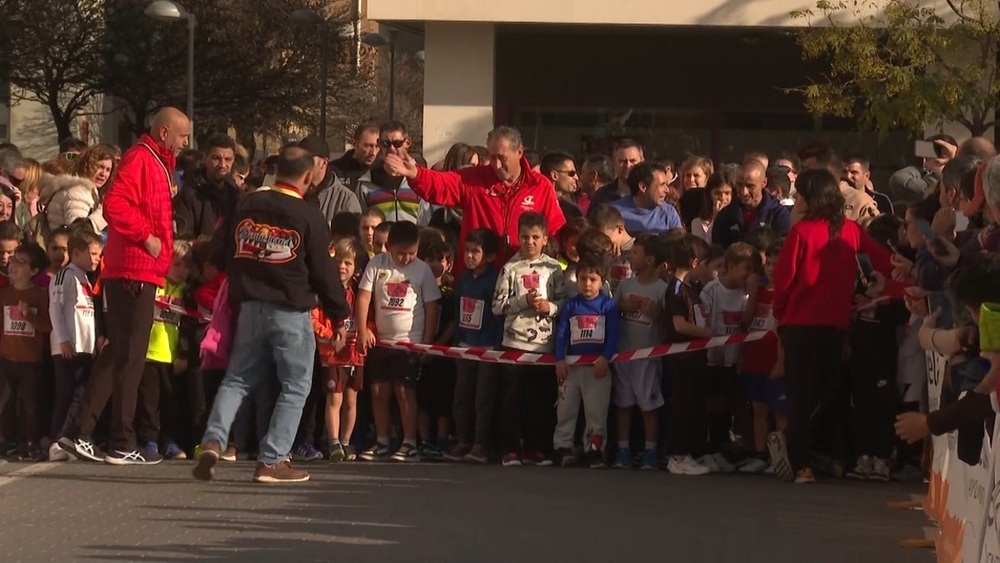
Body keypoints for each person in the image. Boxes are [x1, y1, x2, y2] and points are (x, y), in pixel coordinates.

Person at [191, 146, 350, 484]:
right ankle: (272, 460)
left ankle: (214, 439)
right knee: (295, 384)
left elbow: (217, 252)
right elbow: (325, 272)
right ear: (307, 177)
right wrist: (340, 317)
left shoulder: (246, 203)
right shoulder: (308, 214)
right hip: (291, 310)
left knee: (237, 378)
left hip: (249, 306)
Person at [59, 107, 189, 466]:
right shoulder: (141, 158)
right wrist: (146, 237)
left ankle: (82, 432)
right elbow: (115, 202)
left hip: (137, 271)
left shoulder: (152, 161)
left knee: (119, 354)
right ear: (164, 133)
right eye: (182, 136)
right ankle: (118, 440)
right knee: (129, 359)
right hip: (134, 270)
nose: (185, 144)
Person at [769, 168, 900, 485]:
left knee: (821, 392)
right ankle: (801, 463)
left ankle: (794, 443)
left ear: (812, 197)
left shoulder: (834, 231)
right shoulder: (812, 231)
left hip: (821, 325)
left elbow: (783, 281)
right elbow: (783, 280)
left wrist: (893, 286)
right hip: (809, 325)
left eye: (800, 192)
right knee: (812, 392)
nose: (796, 198)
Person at [383, 126, 566, 272]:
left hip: (523, 279)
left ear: (519, 152)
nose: (496, 164)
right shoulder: (474, 179)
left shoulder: (539, 185)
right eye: (492, 157)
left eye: (502, 158)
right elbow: (442, 184)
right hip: (478, 276)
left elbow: (555, 231)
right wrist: (416, 174)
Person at [355, 221, 441, 463]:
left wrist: (427, 341)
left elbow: (432, 306)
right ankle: (382, 441)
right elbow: (363, 298)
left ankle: (410, 443)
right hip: (381, 342)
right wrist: (362, 331)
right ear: (389, 247)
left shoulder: (422, 270)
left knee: (405, 392)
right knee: (378, 390)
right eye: (401, 253)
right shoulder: (376, 264)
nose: (406, 258)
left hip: (409, 344)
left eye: (412, 253)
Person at [493, 212, 564, 466]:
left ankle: (538, 447)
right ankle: (511, 448)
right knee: (511, 399)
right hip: (514, 343)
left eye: (535, 237)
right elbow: (497, 306)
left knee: (541, 398)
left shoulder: (554, 268)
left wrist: (549, 308)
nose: (529, 242)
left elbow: (564, 302)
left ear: (545, 239)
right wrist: (523, 302)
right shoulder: (510, 267)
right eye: (525, 237)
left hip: (543, 344)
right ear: (517, 237)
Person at [553, 253, 619, 469]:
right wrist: (560, 360)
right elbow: (561, 333)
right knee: (566, 409)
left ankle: (595, 449)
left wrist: (605, 358)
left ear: (602, 281)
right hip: (571, 369)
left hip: (597, 370)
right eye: (583, 279)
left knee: (596, 411)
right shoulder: (571, 305)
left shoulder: (608, 306)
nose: (587, 284)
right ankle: (563, 447)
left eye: (593, 279)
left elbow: (613, 335)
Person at [611, 234, 668, 470]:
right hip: (623, 354)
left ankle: (650, 450)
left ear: (650, 259)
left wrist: (656, 313)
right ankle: (623, 448)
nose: (631, 257)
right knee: (623, 402)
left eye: (636, 253)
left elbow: (668, 322)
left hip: (648, 356)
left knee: (649, 404)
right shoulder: (625, 286)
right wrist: (622, 307)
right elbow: (611, 313)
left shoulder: (662, 289)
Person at [446, 228, 501, 464]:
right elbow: (459, 309)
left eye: (475, 252)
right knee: (462, 396)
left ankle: (481, 444)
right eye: (466, 251)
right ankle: (463, 440)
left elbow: (498, 315)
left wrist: (497, 345)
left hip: (487, 348)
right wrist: (458, 338)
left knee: (483, 398)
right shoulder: (464, 278)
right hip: (465, 346)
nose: (469, 256)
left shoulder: (494, 279)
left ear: (488, 256)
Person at [699, 242, 755, 472]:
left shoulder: (746, 293)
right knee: (715, 403)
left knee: (736, 403)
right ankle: (713, 448)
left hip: (734, 358)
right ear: (730, 266)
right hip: (714, 358)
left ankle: (733, 447)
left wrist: (740, 355)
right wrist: (714, 345)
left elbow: (745, 322)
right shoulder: (712, 290)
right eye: (746, 269)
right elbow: (706, 321)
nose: (748, 275)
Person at [50, 231, 102, 462]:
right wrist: (63, 339)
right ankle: (56, 441)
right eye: (92, 254)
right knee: (67, 394)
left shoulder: (86, 278)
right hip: (67, 347)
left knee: (80, 395)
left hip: (84, 347)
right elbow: (56, 308)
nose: (96, 259)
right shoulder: (65, 275)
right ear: (76, 253)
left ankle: (68, 439)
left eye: (99, 255)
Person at [663, 235, 712, 476]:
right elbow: (679, 324)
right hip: (681, 357)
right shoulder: (675, 288)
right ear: (694, 263)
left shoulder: (692, 289)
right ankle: (677, 455)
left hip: (696, 358)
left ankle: (694, 451)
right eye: (704, 263)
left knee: (694, 405)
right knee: (681, 405)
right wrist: (705, 333)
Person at [313, 238, 366, 463]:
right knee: (335, 399)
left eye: (347, 263)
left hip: (354, 354)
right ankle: (333, 442)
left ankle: (346, 441)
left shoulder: (359, 292)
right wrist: (328, 335)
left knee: (351, 401)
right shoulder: (323, 292)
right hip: (332, 354)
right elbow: (313, 319)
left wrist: (369, 331)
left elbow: (367, 318)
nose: (342, 267)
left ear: (355, 268)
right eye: (338, 263)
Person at [738, 239, 787, 474]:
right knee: (758, 409)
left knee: (780, 411)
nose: (772, 268)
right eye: (769, 263)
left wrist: (781, 361)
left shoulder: (787, 294)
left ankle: (781, 457)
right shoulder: (757, 291)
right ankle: (760, 455)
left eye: (778, 264)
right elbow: (746, 321)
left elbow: (786, 333)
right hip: (754, 359)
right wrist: (753, 293)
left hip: (774, 360)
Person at [0, 242, 51, 460]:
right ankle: (8, 440)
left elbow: (48, 326)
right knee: (5, 402)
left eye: (21, 263)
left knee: (29, 403)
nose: (14, 266)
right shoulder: (4, 294)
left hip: (30, 361)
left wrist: (28, 315)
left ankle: (30, 442)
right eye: (13, 261)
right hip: (6, 359)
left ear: (34, 271)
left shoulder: (39, 295)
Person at [173, 134, 240, 239]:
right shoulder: (189, 195)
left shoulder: (237, 196)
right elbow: (183, 239)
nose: (222, 165)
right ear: (205, 158)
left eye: (228, 159)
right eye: (216, 158)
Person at [712, 160, 790, 248]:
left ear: (764, 183)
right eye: (740, 185)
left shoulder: (778, 215)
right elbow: (717, 249)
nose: (744, 192)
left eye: (750, 186)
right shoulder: (726, 214)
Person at [610, 162, 682, 236]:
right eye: (662, 185)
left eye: (666, 184)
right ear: (643, 187)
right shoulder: (614, 213)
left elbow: (679, 243)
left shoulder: (669, 213)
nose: (667, 190)